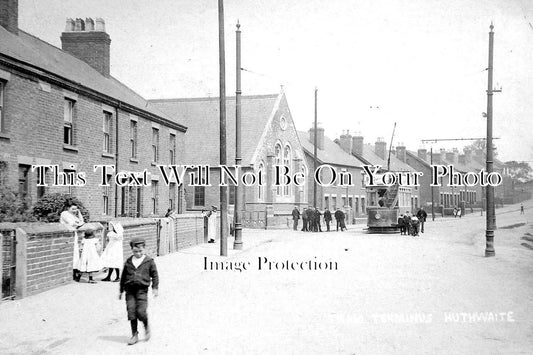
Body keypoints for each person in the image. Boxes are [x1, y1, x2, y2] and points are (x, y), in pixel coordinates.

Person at [119, 237, 159, 346]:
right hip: (130, 291)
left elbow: (155, 275)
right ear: (132, 250)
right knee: (131, 312)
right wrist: (121, 290)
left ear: (144, 249)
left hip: (142, 290)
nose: (138, 254)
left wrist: (155, 288)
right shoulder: (128, 261)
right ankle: (134, 334)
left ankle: (146, 326)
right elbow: (123, 276)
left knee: (141, 312)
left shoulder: (149, 261)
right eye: (135, 251)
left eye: (140, 251)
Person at [60, 202, 85, 282]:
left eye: (76, 209)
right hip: (66, 236)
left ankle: (75, 272)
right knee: (72, 254)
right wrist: (78, 223)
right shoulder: (65, 214)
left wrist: (79, 213)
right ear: (68, 208)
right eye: (73, 209)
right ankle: (73, 273)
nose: (75, 210)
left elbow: (81, 222)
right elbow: (73, 224)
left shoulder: (73, 215)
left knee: (76, 254)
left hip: (74, 235)